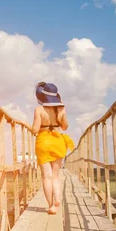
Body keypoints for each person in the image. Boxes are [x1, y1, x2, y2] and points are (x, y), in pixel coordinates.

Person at [31, 82, 74, 214]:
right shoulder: (61, 109)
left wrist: (24, 124)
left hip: (43, 142)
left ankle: (51, 205)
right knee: (55, 176)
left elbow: (35, 130)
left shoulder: (39, 110)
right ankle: (57, 199)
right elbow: (65, 127)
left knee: (46, 176)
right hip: (57, 141)